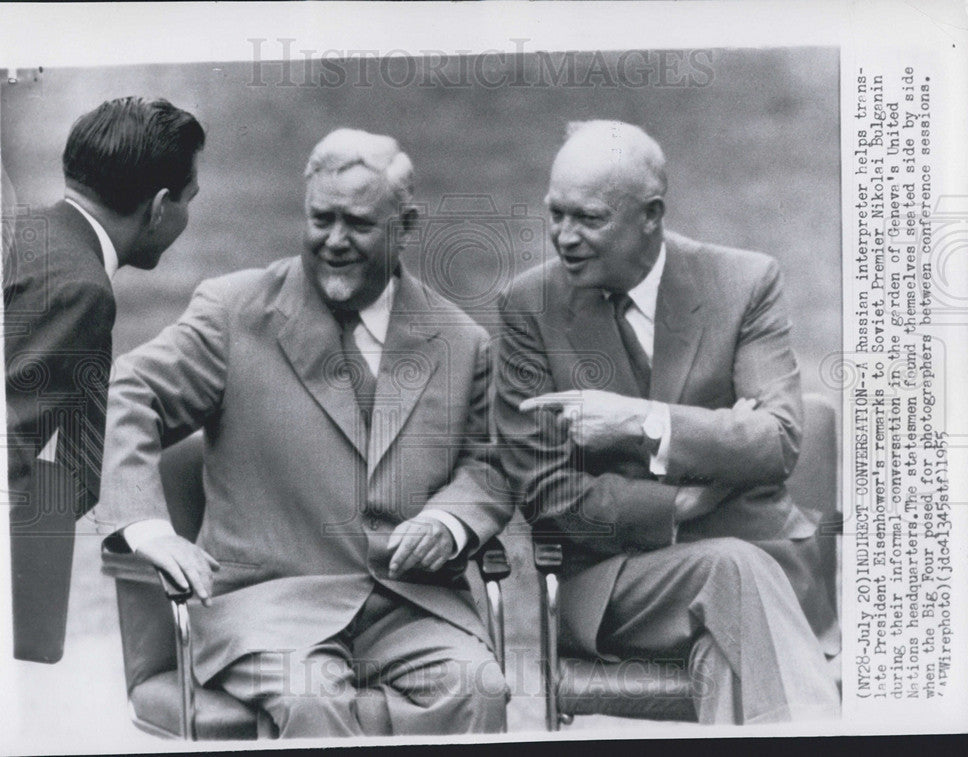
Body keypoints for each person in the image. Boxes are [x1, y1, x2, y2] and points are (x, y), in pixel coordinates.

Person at [96, 128, 512, 737]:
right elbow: (126, 393)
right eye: (321, 219)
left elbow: (489, 466)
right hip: (268, 607)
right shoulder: (234, 311)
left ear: (407, 224)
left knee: (484, 690)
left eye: (359, 224)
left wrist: (450, 522)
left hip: (412, 605)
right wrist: (148, 528)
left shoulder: (462, 342)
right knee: (313, 699)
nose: (335, 241)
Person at [495, 120, 841, 723]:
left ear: (651, 215)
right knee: (731, 567)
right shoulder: (529, 306)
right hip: (621, 584)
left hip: (771, 574)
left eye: (590, 218)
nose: (564, 237)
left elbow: (776, 441)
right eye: (556, 214)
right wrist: (683, 503)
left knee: (727, 658)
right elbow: (545, 494)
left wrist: (642, 421)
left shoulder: (744, 282)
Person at [3, 96, 204, 663]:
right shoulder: (81, 289)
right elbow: (0, 461)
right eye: (189, 200)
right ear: (161, 207)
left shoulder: (21, 232)